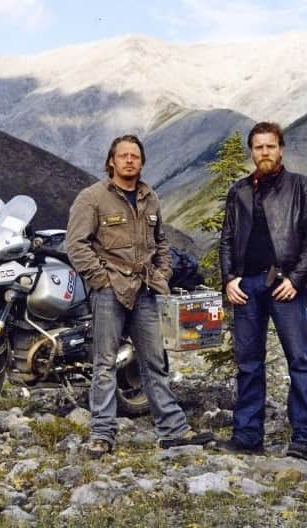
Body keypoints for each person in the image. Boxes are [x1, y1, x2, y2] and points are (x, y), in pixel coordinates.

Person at [66, 134, 212, 458]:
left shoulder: (151, 198)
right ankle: (102, 434)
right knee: (104, 363)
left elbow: (161, 243)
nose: (129, 160)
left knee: (154, 361)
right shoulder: (92, 198)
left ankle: (173, 430)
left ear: (142, 162)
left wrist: (163, 274)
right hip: (110, 291)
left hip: (145, 291)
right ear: (111, 161)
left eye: (135, 156)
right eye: (123, 156)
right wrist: (101, 279)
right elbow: (76, 244)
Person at [217, 122, 307, 461]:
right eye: (258, 147)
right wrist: (228, 279)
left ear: (281, 149)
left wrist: (295, 279)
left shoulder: (302, 188)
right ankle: (248, 436)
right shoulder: (240, 192)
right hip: (246, 286)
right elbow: (227, 239)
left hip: (285, 286)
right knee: (248, 364)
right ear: (252, 151)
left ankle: (306, 437)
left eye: (270, 146)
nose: (264, 152)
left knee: (300, 360)